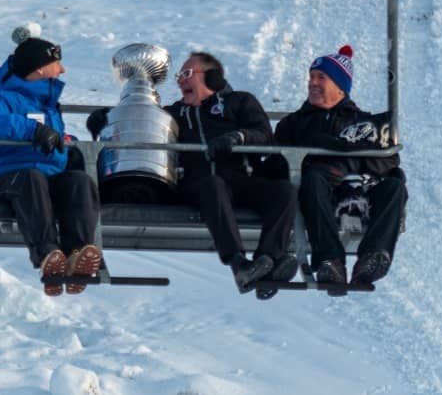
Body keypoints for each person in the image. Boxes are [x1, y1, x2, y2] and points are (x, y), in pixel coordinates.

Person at [90, 51, 298, 298]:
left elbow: (265, 136)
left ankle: (267, 259)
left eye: (187, 74)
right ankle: (239, 264)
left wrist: (238, 137)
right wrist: (107, 119)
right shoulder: (173, 114)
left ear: (212, 78)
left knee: (284, 191)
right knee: (212, 184)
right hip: (197, 187)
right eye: (179, 76)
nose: (180, 81)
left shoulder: (240, 102)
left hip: (243, 180)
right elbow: (143, 121)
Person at [265, 45, 407, 294]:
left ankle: (372, 257)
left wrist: (348, 158)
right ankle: (330, 260)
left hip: (355, 192)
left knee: (394, 185)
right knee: (315, 178)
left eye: (321, 78)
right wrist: (322, 152)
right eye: (311, 77)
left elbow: (387, 163)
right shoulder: (293, 124)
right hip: (316, 194)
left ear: (341, 87)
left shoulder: (363, 123)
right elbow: (278, 163)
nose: (313, 83)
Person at [0, 35, 102, 296]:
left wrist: (69, 141)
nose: (62, 70)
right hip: (8, 177)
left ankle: (77, 256)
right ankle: (47, 254)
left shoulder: (47, 104)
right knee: (31, 178)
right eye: (57, 63)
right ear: (40, 68)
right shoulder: (3, 98)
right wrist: (32, 130)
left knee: (78, 181)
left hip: (48, 175)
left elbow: (55, 137)